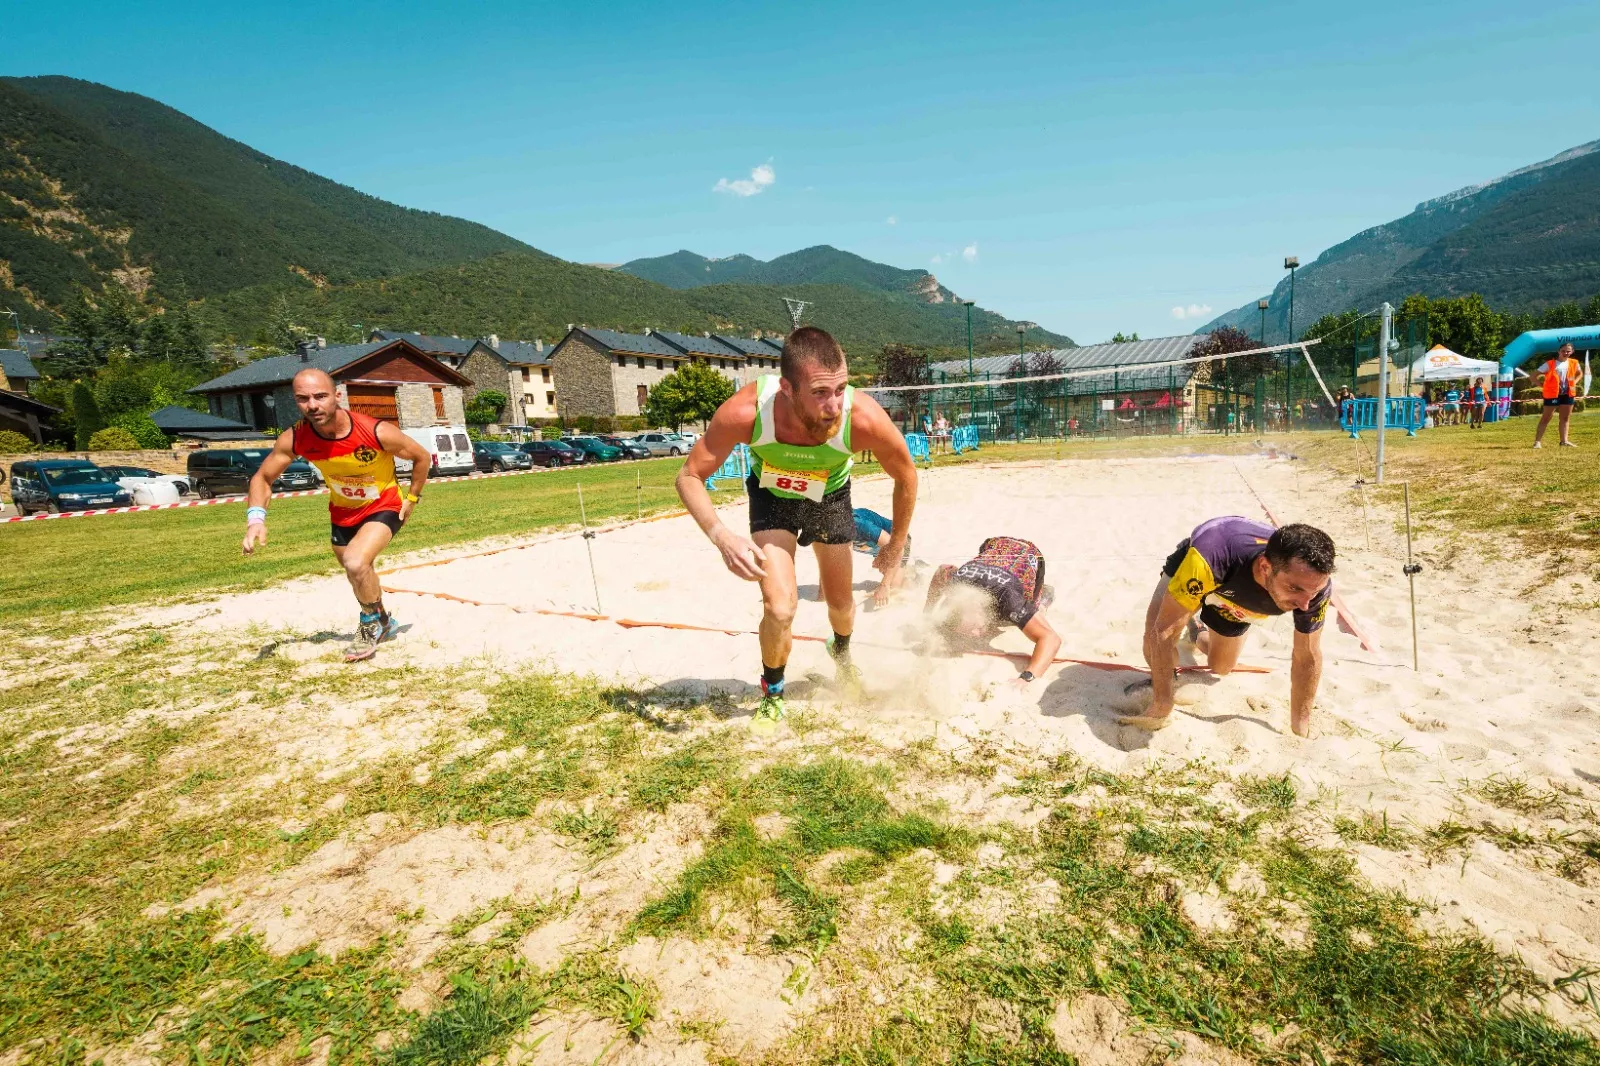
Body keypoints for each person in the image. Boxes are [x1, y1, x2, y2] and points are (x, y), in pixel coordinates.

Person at [676, 327, 919, 729]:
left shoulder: (862, 417)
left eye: (841, 388)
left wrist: (893, 546)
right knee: (780, 606)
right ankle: (773, 691)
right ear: (787, 388)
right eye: (820, 393)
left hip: (830, 498)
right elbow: (689, 477)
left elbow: (907, 476)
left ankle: (841, 653)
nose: (834, 405)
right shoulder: (747, 413)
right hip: (773, 500)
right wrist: (722, 536)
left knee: (841, 610)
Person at [242, 368, 433, 662]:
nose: (313, 405)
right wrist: (256, 518)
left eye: (320, 396)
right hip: (342, 512)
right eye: (303, 399)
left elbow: (421, 457)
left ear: (337, 396)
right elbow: (262, 478)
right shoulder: (296, 438)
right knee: (356, 572)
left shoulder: (375, 431)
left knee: (356, 562)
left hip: (384, 505)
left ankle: (369, 625)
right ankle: (382, 620)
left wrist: (412, 498)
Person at [1123, 518, 1335, 738]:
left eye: (1314, 592)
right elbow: (1163, 632)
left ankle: (1197, 627)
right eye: (1294, 588)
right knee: (1153, 638)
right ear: (1265, 567)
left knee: (1221, 666)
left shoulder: (1312, 587)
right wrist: (1162, 704)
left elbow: (1306, 656)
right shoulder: (1210, 556)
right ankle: (1186, 617)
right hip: (1202, 566)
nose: (1304, 604)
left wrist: (1300, 726)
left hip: (1236, 594)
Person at [924, 536, 1062, 690]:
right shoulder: (956, 583)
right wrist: (927, 612)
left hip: (1030, 554)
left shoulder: (1009, 600)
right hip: (992, 545)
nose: (976, 634)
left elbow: (1051, 639)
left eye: (973, 627)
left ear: (976, 607)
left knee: (1029, 610)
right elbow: (943, 569)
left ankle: (1045, 596)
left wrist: (1026, 678)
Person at [852, 507, 914, 605]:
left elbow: (897, 549)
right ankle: (906, 571)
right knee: (889, 573)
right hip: (879, 548)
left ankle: (914, 577)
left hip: (898, 541)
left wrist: (884, 585)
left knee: (895, 587)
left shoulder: (858, 525)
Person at [1533, 342, 1582, 448]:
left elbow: (1579, 373)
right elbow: (1533, 376)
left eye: (1568, 351)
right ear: (1558, 351)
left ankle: (1564, 441)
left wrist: (1574, 383)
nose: (1565, 353)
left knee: (1565, 418)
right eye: (1563, 351)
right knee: (1546, 418)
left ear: (1572, 352)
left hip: (1568, 394)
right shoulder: (1550, 364)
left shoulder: (1574, 362)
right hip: (1552, 395)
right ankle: (1537, 442)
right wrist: (1543, 386)